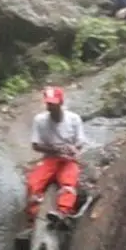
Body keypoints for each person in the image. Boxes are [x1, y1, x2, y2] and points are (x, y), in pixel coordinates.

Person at [26, 85, 87, 228]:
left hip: (68, 159)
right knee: (33, 183)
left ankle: (63, 212)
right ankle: (35, 216)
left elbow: (80, 142)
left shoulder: (73, 119)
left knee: (68, 183)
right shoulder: (40, 120)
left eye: (53, 103)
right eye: (48, 103)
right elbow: (35, 145)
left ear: (61, 102)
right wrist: (55, 149)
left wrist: (73, 149)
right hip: (50, 158)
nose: (51, 107)